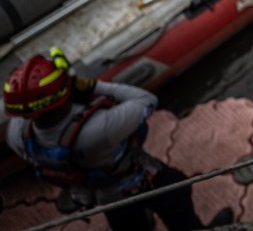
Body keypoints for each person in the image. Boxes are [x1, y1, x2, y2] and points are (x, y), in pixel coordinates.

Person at [4, 48, 232, 230]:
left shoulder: (16, 132)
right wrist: (91, 86)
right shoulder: (95, 130)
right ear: (64, 94)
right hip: (136, 178)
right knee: (177, 195)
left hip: (98, 193)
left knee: (127, 223)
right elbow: (146, 100)